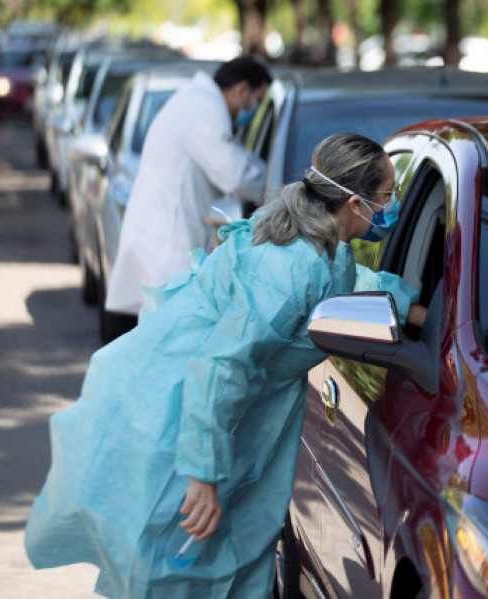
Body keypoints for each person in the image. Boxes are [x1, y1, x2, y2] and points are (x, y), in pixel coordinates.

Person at [24, 132, 427, 598]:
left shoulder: (325, 251)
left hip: (231, 430)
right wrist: (202, 475)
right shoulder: (289, 270)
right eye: (387, 195)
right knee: (179, 570)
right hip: (188, 428)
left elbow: (355, 284)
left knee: (225, 567)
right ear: (356, 204)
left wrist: (421, 314)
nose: (392, 204)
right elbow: (220, 367)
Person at [103, 56, 272, 341]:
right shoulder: (204, 109)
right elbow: (233, 173)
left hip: (161, 235)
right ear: (242, 90)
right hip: (167, 244)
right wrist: (280, 184)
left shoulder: (195, 101)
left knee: (161, 338)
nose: (252, 110)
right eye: (257, 98)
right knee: (169, 341)